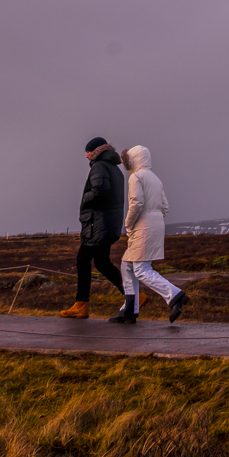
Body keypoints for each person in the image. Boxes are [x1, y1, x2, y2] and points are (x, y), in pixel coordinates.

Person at [112, 145, 187, 323]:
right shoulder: (155, 179)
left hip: (142, 225)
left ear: (133, 160)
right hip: (155, 224)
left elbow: (136, 203)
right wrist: (154, 218)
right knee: (127, 265)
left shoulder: (136, 177)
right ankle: (129, 309)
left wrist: (128, 224)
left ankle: (175, 295)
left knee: (141, 268)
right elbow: (165, 207)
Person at [59, 137, 125, 319]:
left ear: (96, 151)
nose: (87, 156)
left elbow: (99, 191)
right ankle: (134, 295)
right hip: (107, 223)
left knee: (83, 259)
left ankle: (81, 304)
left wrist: (84, 198)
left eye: (88, 152)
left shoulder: (99, 166)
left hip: (97, 224)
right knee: (102, 262)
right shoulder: (114, 168)